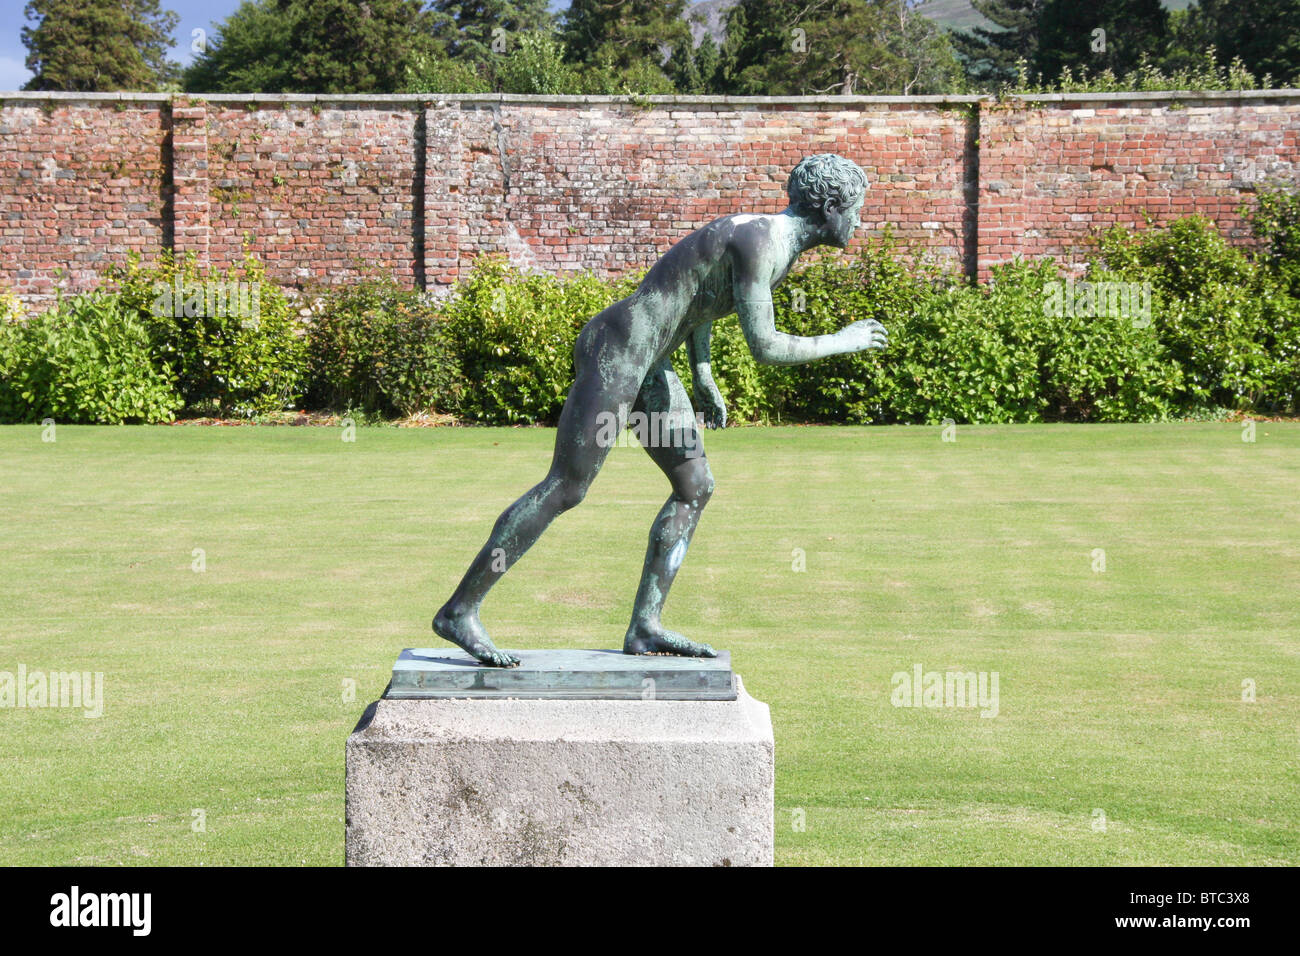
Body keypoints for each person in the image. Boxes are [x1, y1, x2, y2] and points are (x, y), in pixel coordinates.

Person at [434, 153, 888, 666]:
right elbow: (767, 348)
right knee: (567, 486)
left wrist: (703, 374)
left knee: (695, 486)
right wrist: (842, 340)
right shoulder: (762, 241)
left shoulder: (769, 242)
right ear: (829, 207)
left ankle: (645, 627)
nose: (857, 221)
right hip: (619, 350)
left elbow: (697, 296)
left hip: (651, 361)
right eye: (855, 210)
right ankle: (459, 610)